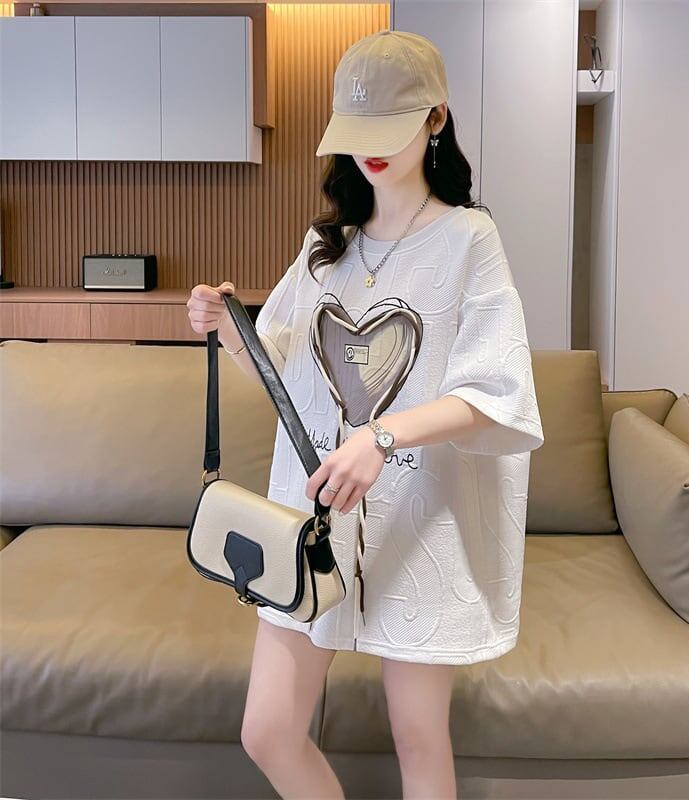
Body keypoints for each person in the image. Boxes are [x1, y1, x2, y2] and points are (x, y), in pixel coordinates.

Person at [187, 28, 545, 800]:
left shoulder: (469, 239)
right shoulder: (328, 247)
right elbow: (285, 378)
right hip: (316, 518)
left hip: (420, 516)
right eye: (358, 132)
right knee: (268, 729)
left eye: (390, 128)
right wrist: (227, 327)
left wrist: (382, 438)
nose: (370, 151)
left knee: (418, 737)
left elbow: (496, 390)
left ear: (436, 119)